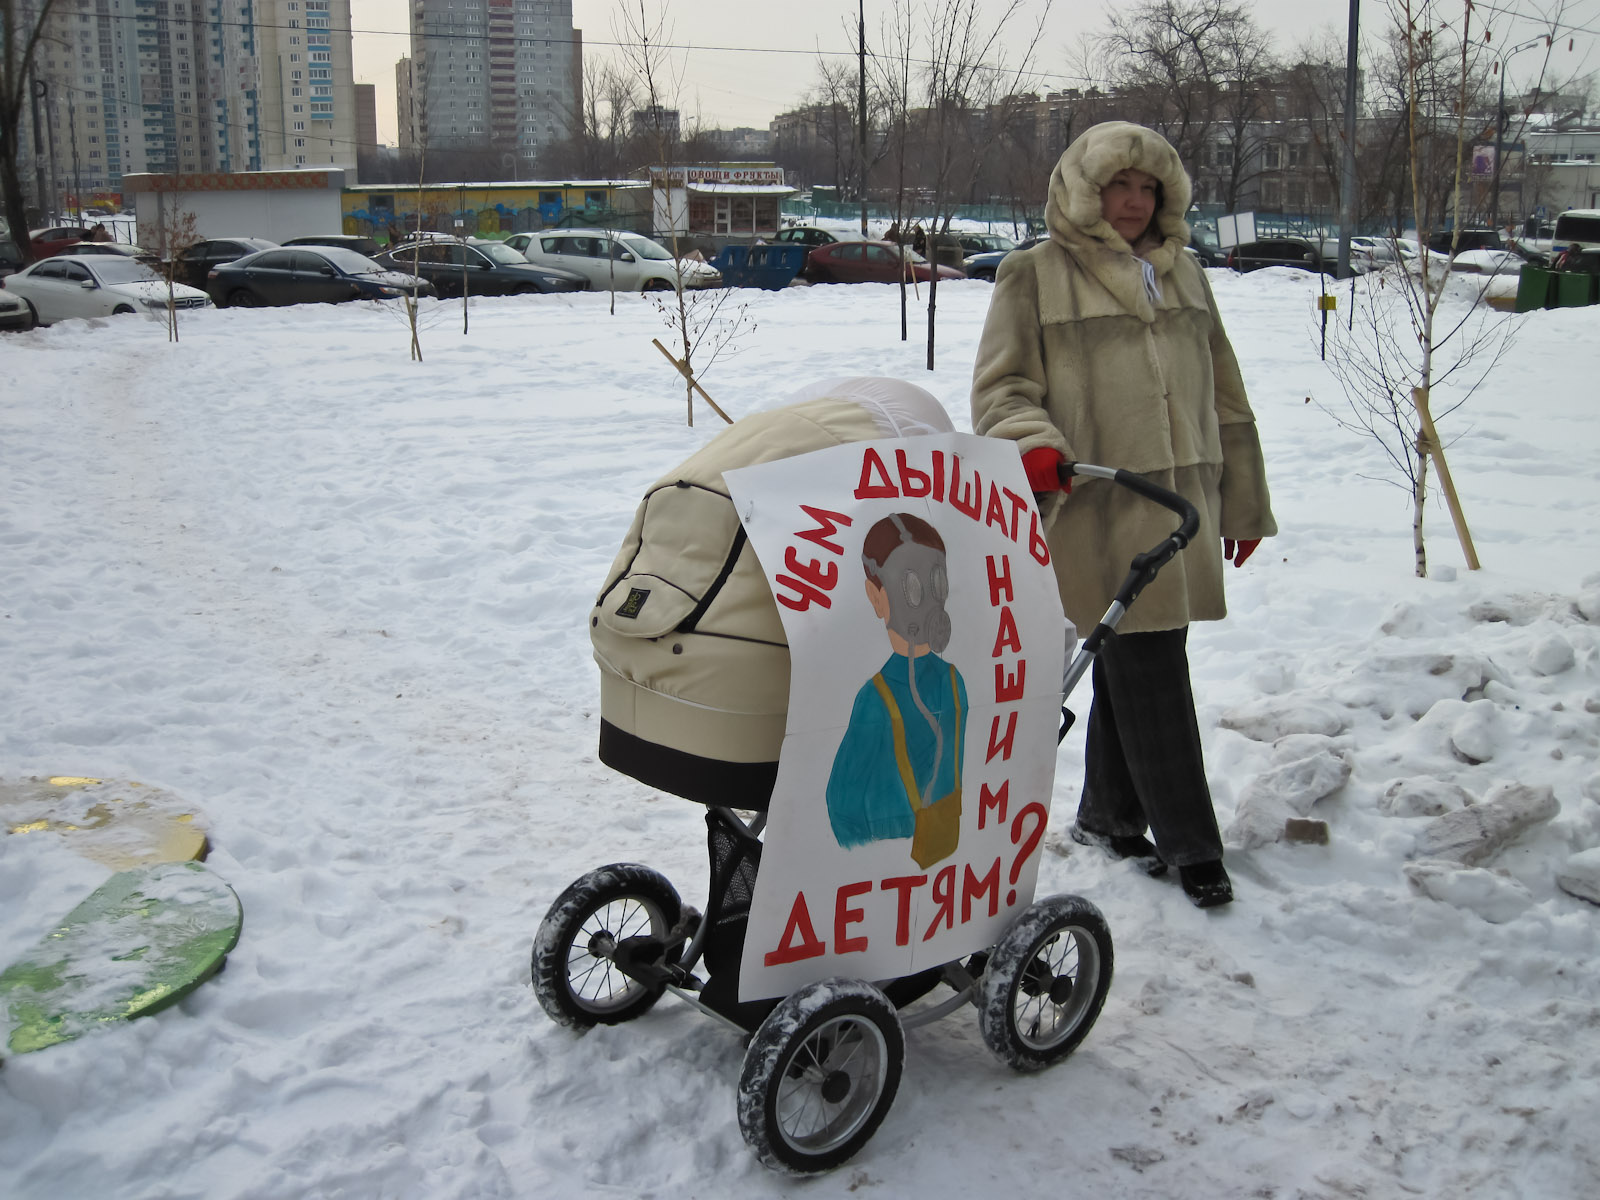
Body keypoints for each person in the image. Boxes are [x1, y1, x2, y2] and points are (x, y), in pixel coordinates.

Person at [970, 121, 1276, 908]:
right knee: (1151, 662)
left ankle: (1108, 817)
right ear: (1084, 190)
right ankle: (1192, 845)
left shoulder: (1186, 276)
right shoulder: (1035, 274)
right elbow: (1003, 389)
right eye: (1119, 186)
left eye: (1149, 187)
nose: (1135, 201)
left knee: (1130, 653)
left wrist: (1242, 503)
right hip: (1098, 504)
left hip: (1181, 507)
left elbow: (1227, 397)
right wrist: (1034, 446)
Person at [825, 513, 969, 868]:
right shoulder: (947, 683)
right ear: (876, 596)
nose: (930, 601)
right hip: (905, 856)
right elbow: (842, 807)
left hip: (906, 858)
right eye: (912, 587)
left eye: (937, 583)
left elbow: (842, 804)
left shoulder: (881, 697)